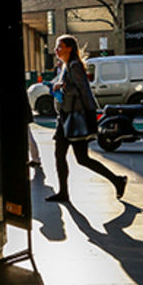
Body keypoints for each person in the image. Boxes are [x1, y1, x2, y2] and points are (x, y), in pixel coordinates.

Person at [47, 34, 126, 202]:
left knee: (82, 159)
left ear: (69, 48)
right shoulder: (65, 65)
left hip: (75, 118)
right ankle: (63, 192)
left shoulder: (74, 66)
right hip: (65, 118)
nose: (56, 50)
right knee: (59, 155)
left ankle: (117, 180)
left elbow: (83, 91)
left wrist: (63, 87)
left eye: (59, 46)